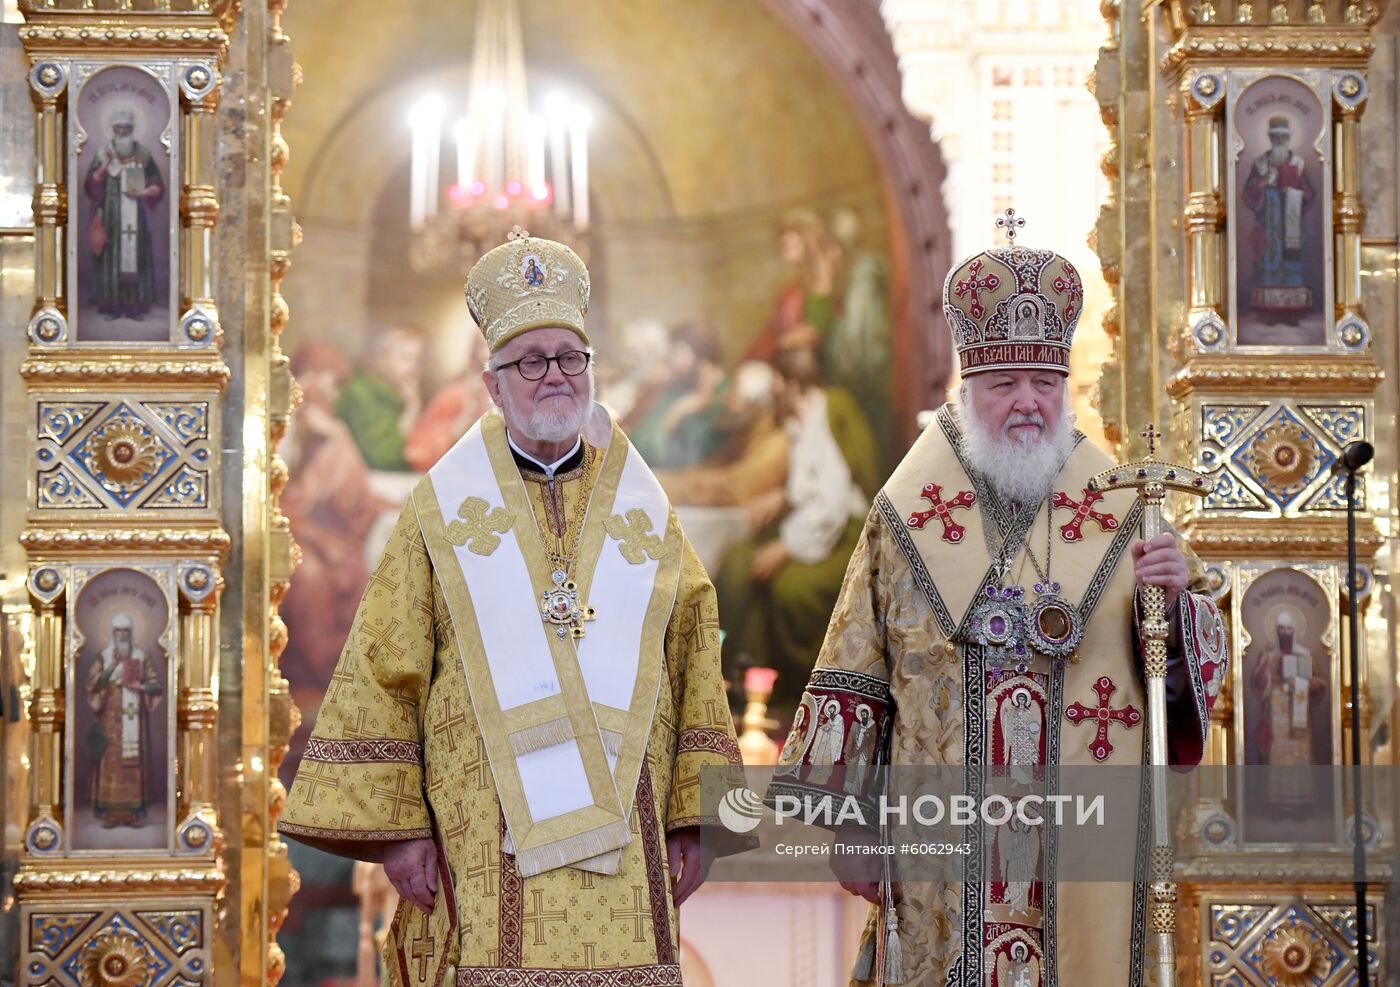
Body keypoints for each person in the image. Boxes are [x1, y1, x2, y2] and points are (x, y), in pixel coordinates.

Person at [281, 227, 746, 986]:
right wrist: (400, 831)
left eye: (570, 357)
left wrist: (700, 817)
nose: (554, 375)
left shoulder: (642, 508)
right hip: (481, 838)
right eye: (530, 361)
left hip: (628, 848)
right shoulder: (443, 508)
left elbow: (695, 655)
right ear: (493, 385)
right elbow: (383, 664)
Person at [769, 228, 1229, 984]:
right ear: (968, 389)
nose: (1027, 402)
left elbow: (1191, 668)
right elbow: (855, 668)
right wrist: (849, 826)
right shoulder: (907, 513)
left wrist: (1178, 605)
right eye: (1005, 382)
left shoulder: (1122, 507)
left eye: (1044, 383)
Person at [715, 325, 879, 719]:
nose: (773, 392)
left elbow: (834, 499)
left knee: (792, 588)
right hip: (813, 519)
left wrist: (787, 547)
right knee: (738, 561)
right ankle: (740, 677)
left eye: (777, 383)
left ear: (791, 383)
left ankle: (802, 689)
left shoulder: (828, 408)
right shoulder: (797, 416)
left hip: (844, 529)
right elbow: (809, 483)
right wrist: (783, 497)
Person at [84, 106, 165, 320]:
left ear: (132, 129)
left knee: (136, 254)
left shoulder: (144, 154)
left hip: (136, 214)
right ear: (113, 130)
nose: (122, 132)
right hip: (110, 214)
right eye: (118, 128)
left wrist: (147, 191)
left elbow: (157, 183)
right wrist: (106, 166)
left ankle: (135, 306)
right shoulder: (104, 153)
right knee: (111, 255)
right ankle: (111, 305)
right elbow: (91, 185)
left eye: (126, 128)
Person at [85, 612, 163, 827]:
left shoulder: (141, 655)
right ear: (113, 632)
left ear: (130, 633)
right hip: (109, 718)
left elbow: (156, 685)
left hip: (134, 717)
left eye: (125, 631)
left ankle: (133, 813)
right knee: (109, 762)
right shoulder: (104, 656)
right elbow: (93, 686)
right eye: (118, 631)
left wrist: (141, 687)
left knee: (133, 762)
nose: (121, 635)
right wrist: (111, 667)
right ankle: (110, 812)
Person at [1246, 608, 1328, 809]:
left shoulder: (1305, 653)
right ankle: (1276, 805)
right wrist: (1266, 667)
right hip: (1275, 713)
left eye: (1288, 629)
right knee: (1276, 756)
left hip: (1298, 712)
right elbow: (1257, 683)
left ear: (1294, 631)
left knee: (1300, 757)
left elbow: (1320, 682)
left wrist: (1308, 684)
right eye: (1281, 629)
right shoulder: (1268, 652)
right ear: (1276, 630)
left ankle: (1301, 804)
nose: (1284, 633)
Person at [1243, 115, 1316, 322]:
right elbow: (1248, 193)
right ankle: (1269, 312)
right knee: (1268, 262)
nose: (1280, 141)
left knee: (1292, 262)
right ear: (1271, 138)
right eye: (1276, 137)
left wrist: (1294, 191)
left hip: (1292, 225)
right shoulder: (1260, 164)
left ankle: (1293, 313)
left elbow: (1310, 192)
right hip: (1269, 225)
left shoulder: (1298, 164)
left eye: (1283, 138)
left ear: (1288, 138)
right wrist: (1261, 184)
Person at [336, 325, 428, 471]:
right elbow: (385, 458)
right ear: (382, 358)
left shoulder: (395, 394)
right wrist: (411, 410)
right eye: (406, 358)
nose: (414, 367)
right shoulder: (361, 394)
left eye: (419, 360)